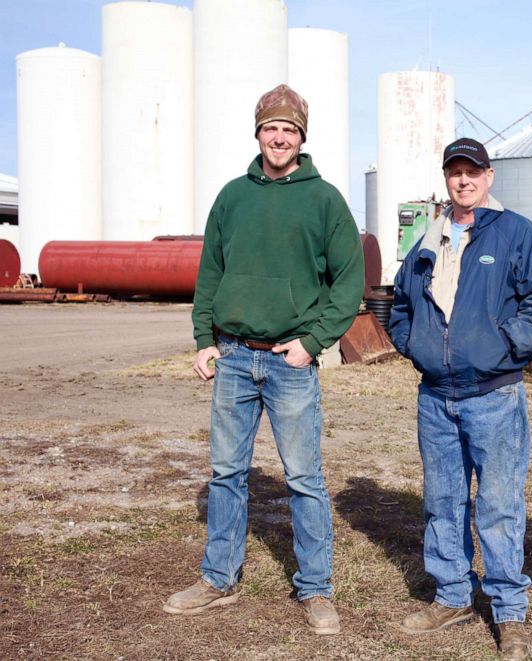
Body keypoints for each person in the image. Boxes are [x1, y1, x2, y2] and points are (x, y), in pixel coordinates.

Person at [163, 84, 364, 636]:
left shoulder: (323, 200)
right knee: (226, 473)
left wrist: (314, 342)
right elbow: (210, 274)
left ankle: (316, 588)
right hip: (232, 358)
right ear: (258, 134)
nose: (279, 137)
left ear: (302, 137)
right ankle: (218, 579)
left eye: (290, 130)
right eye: (271, 128)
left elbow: (350, 283)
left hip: (288, 362)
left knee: (303, 477)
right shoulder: (232, 196)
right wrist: (204, 338)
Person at [388, 138, 532, 659]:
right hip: (436, 396)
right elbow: (401, 301)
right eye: (455, 173)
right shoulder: (432, 234)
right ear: (446, 179)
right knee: (442, 499)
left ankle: (509, 610)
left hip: (494, 395)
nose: (463, 181)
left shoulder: (514, 232)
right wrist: (413, 344)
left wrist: (504, 345)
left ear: (489, 177)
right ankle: (452, 596)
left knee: (497, 503)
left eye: (472, 172)